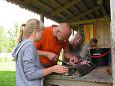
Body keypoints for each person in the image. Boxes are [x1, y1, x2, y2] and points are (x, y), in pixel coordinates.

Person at [12, 19, 68, 86]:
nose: (42, 35)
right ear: (36, 32)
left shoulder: (23, 44)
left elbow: (28, 71)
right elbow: (31, 74)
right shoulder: (29, 46)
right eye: (42, 32)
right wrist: (52, 69)